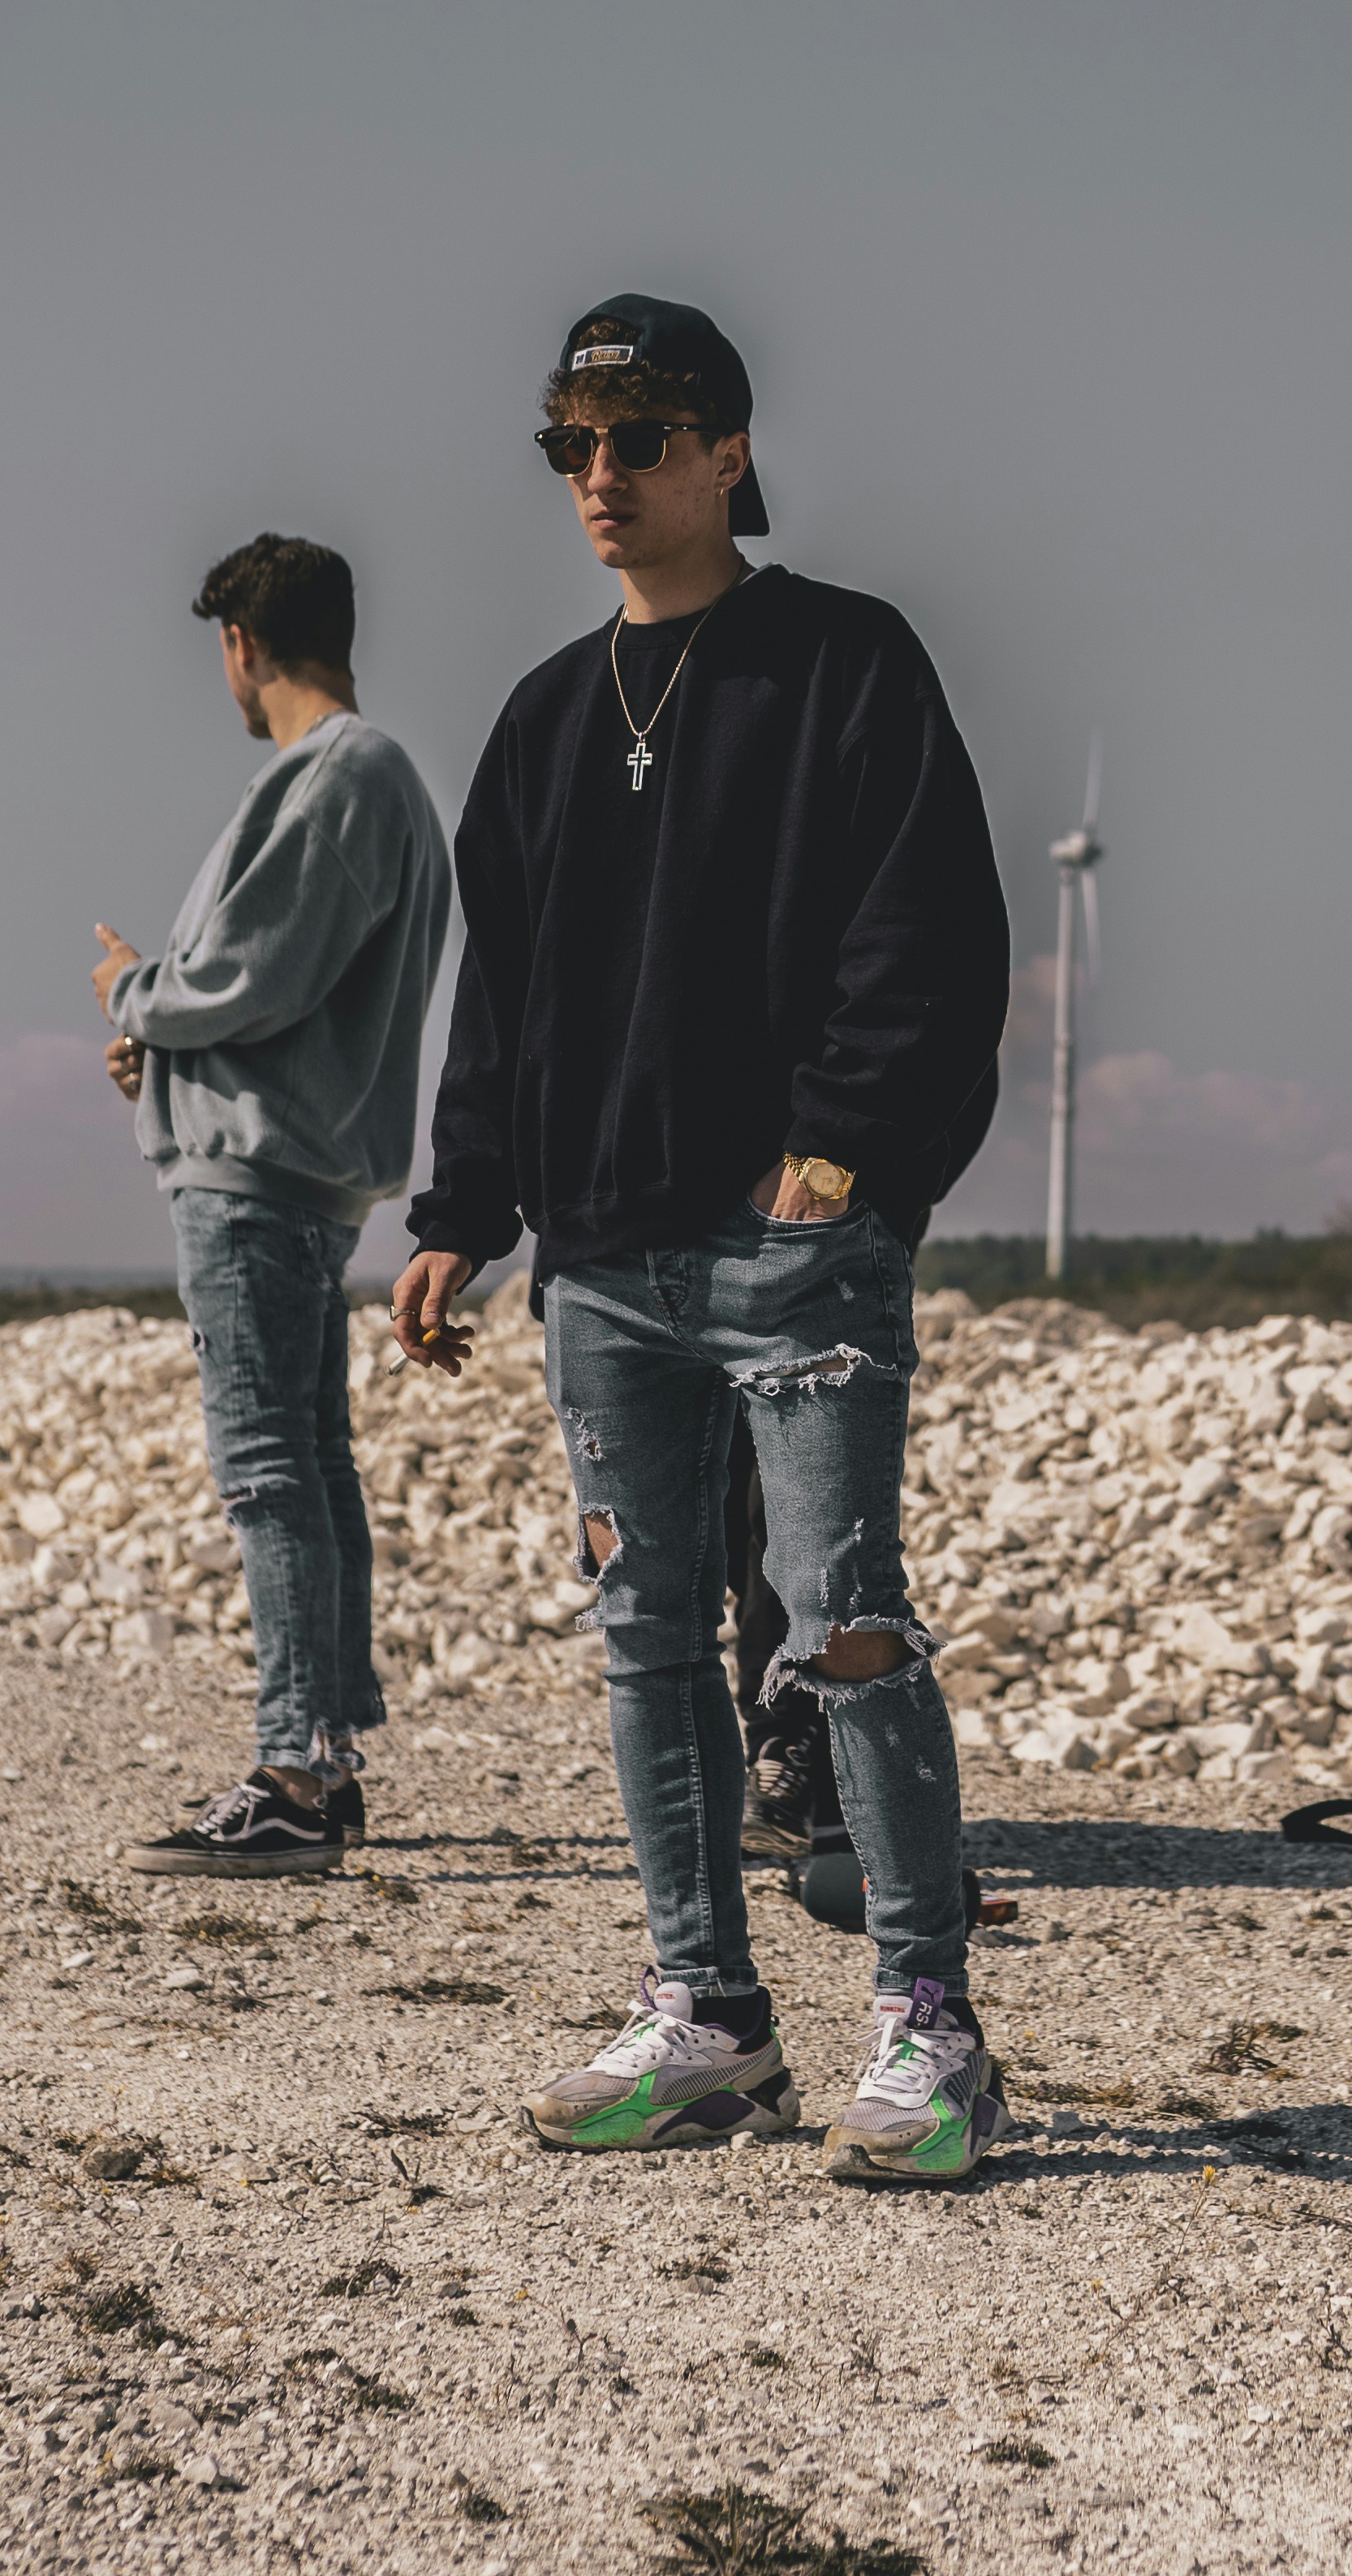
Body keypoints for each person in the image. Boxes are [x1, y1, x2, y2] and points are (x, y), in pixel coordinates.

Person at [390, 297, 1013, 2186]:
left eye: (639, 438)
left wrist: (836, 1157)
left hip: (791, 1254)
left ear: (727, 451)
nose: (599, 474)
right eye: (569, 444)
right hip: (599, 1262)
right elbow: (501, 993)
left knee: (844, 1627)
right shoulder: (540, 718)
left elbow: (929, 930)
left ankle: (928, 2025)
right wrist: (462, 1211)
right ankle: (706, 2023)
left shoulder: (844, 662)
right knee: (645, 1638)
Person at [97, 533, 452, 1876]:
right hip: (295, 1169)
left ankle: (295, 1774)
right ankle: (326, 1760)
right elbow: (281, 995)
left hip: (257, 1181)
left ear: (241, 644)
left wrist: (137, 995)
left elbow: (252, 974)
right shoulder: (372, 780)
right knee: (309, 1464)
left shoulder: (339, 774)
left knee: (268, 1473)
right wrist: (166, 1051)